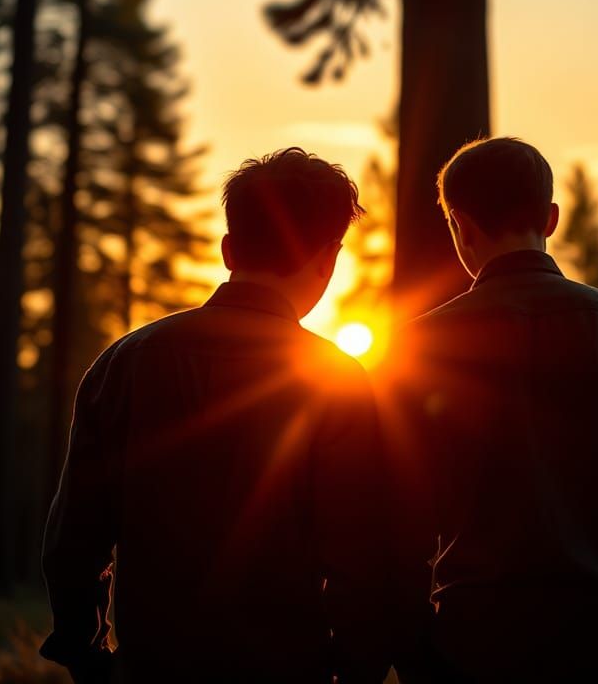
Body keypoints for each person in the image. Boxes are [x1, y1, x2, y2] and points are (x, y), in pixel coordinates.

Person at [41, 148, 391, 684]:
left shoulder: (125, 364)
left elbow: (74, 537)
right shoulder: (338, 380)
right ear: (328, 259)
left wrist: (88, 658)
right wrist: (355, 668)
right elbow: (362, 559)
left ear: (229, 249)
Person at [387, 137, 598, 684]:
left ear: (460, 227)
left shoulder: (416, 348)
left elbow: (394, 528)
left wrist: (416, 655)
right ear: (551, 217)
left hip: (474, 652)